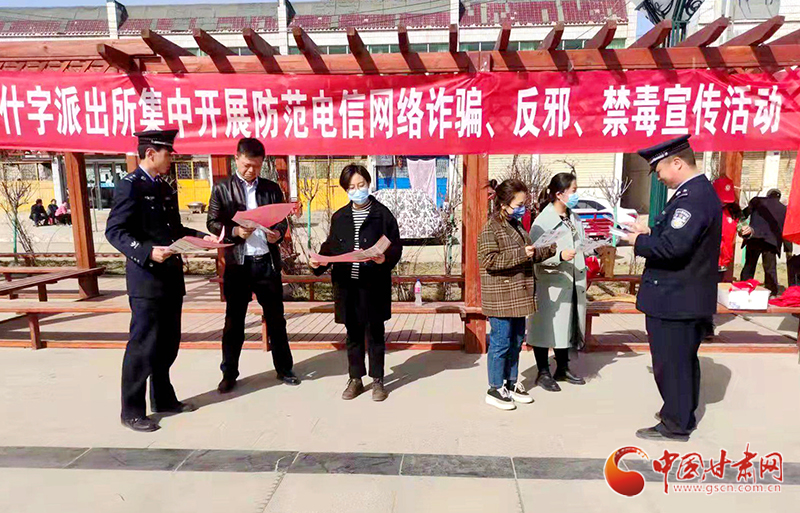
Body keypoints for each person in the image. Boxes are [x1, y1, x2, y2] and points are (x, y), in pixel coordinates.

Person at [106, 129, 216, 433]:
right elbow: (115, 231)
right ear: (150, 153)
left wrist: (203, 238)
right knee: (143, 345)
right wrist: (146, 252)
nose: (171, 159)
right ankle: (131, 411)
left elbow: (175, 228)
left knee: (168, 343)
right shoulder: (130, 186)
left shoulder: (164, 187)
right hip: (146, 280)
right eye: (168, 154)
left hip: (170, 277)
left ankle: (164, 399)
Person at [617, 134, 721, 442]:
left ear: (677, 163)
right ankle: (679, 412)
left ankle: (675, 424)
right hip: (682, 296)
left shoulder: (693, 198)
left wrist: (638, 241)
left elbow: (674, 249)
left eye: (659, 170)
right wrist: (650, 231)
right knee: (681, 361)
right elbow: (678, 237)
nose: (658, 177)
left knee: (672, 363)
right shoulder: (693, 193)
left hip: (676, 298)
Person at [206, 138, 299, 393]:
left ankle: (284, 368)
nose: (251, 171)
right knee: (234, 321)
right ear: (236, 158)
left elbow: (281, 220)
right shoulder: (222, 189)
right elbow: (212, 222)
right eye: (247, 165)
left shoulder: (270, 188)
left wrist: (277, 233)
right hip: (238, 264)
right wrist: (235, 231)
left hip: (266, 262)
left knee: (276, 319)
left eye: (256, 166)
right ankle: (229, 374)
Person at [309, 164, 402, 401]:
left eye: (361, 185)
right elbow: (330, 247)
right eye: (351, 187)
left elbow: (396, 246)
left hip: (373, 285)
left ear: (368, 184)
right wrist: (319, 262)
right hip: (348, 286)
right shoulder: (340, 217)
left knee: (375, 334)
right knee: (353, 334)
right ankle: (355, 379)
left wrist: (384, 258)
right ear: (345, 189)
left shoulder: (383, 214)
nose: (357, 190)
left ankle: (378, 380)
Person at [478, 179, 556, 410]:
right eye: (519, 204)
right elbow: (489, 261)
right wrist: (523, 254)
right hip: (501, 295)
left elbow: (527, 254)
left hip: (519, 294)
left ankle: (511, 382)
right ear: (504, 204)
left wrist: (548, 248)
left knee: (515, 342)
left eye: (524, 204)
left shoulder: (516, 225)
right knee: (501, 343)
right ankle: (495, 387)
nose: (523, 208)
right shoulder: (490, 228)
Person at [527, 172, 587, 392]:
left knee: (566, 326)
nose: (576, 195)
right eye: (573, 191)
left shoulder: (573, 218)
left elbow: (580, 243)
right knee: (546, 327)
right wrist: (559, 256)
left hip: (573, 280)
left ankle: (562, 367)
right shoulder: (544, 221)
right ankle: (543, 371)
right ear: (559, 194)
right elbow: (534, 254)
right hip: (551, 283)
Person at [740, 188, 791, 296]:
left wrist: (742, 226)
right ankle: (772, 292)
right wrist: (788, 249)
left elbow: (744, 214)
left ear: (768, 195)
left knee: (749, 265)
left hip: (755, 238)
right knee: (770, 269)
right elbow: (786, 230)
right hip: (771, 242)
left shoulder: (757, 201)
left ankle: (743, 289)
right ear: (779, 197)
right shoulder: (784, 209)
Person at [713, 176, 742, 282]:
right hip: (707, 259)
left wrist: (746, 231)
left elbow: (742, 227)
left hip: (724, 259)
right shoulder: (705, 209)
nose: (724, 203)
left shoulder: (734, 212)